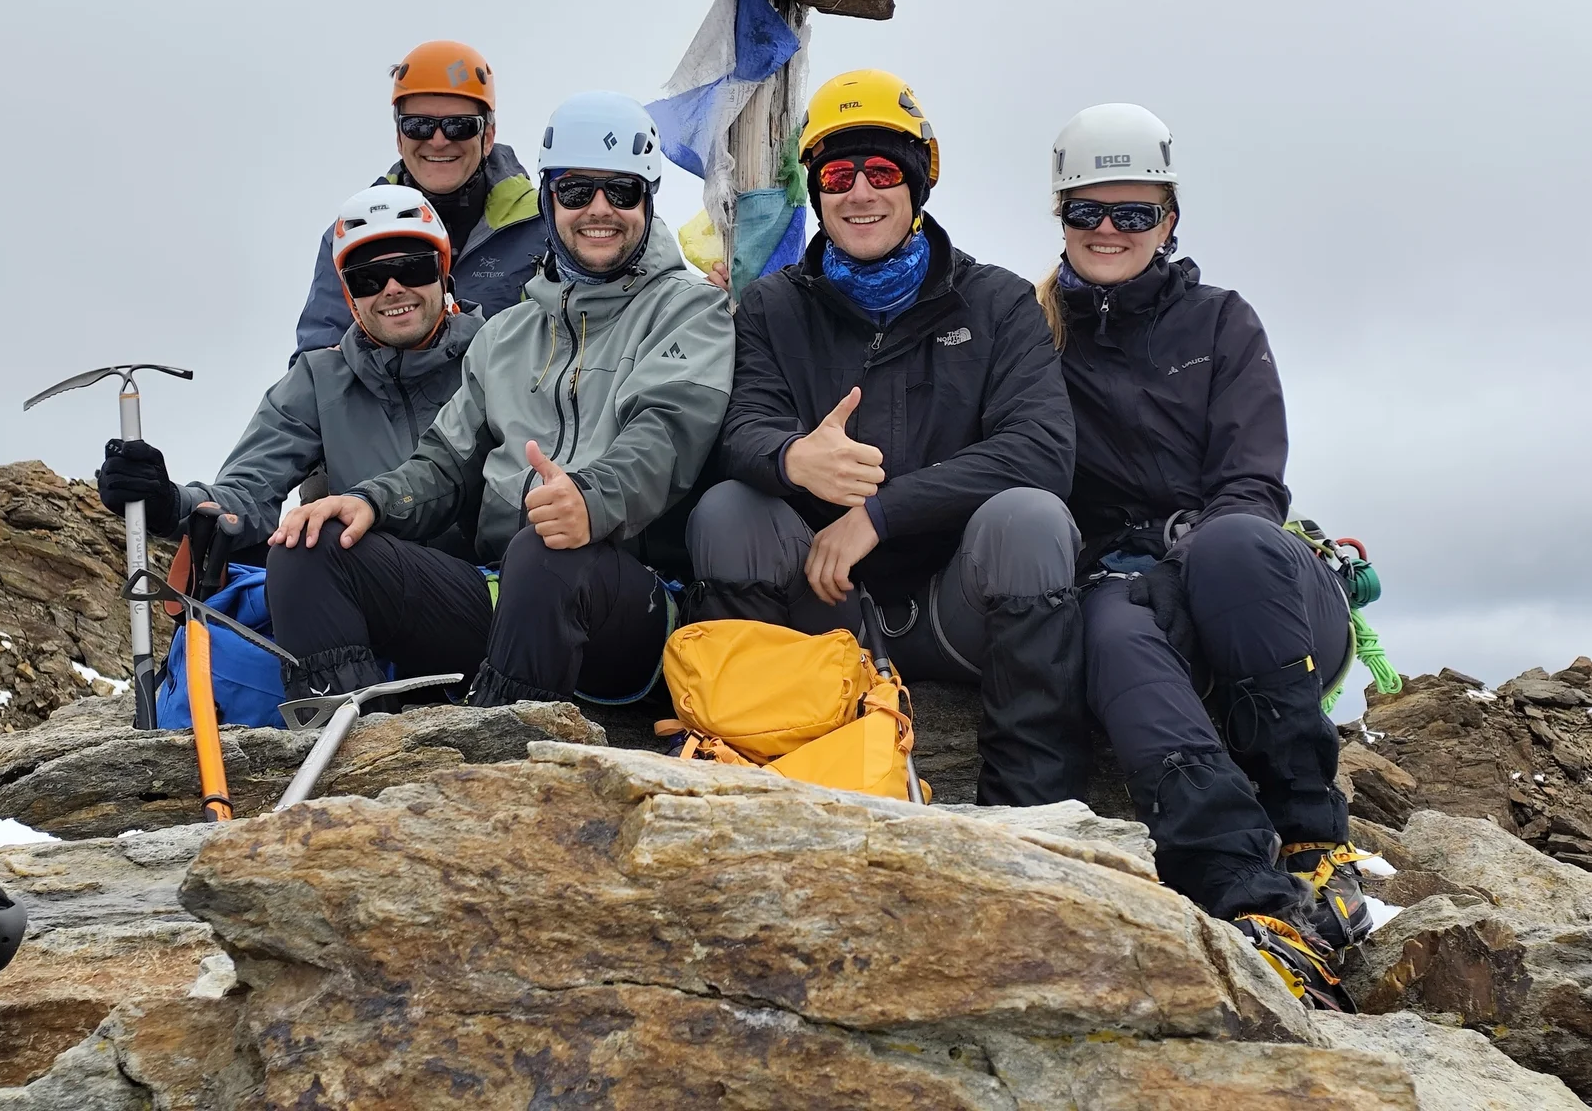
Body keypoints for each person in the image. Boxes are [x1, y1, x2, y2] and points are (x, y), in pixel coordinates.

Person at [1035, 102, 1364, 1009]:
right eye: (1087, 211)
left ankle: (1311, 832)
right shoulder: (1032, 331)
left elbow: (1253, 482)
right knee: (1106, 626)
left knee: (1229, 545)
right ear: (1059, 216)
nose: (1109, 230)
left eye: (1133, 212)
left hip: (1253, 576)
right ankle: (1240, 889)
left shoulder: (1222, 321)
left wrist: (1181, 558)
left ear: (1169, 220)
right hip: (1126, 578)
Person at [686, 70, 1084, 808]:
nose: (859, 192)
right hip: (821, 607)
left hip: (956, 609)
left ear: (919, 182)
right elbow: (740, 429)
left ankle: (1029, 813)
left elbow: (1041, 450)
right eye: (838, 173)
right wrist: (791, 457)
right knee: (729, 511)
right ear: (816, 190)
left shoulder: (997, 304)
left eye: (882, 171)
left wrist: (881, 513)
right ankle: (756, 787)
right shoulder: (775, 306)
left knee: (1030, 520)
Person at [266, 91, 735, 707]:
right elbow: (442, 464)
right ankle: (359, 755)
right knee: (313, 544)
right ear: (547, 200)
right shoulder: (506, 333)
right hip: (502, 592)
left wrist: (588, 502)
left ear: (648, 200)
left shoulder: (692, 310)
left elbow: (665, 438)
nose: (599, 210)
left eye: (621, 191)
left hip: (632, 607)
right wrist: (369, 503)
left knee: (551, 545)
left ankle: (505, 762)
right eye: (575, 191)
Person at [95, 185, 487, 691]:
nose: (392, 288)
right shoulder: (317, 382)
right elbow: (245, 494)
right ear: (349, 295)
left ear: (443, 271)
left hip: (492, 595)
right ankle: (355, 737)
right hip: (378, 602)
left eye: (412, 268)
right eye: (368, 278)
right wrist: (168, 501)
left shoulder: (500, 352)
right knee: (303, 540)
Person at [291, 39, 543, 357]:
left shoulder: (545, 229)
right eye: (419, 125)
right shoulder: (348, 239)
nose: (438, 141)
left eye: (459, 126)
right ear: (399, 137)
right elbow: (317, 366)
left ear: (488, 136)